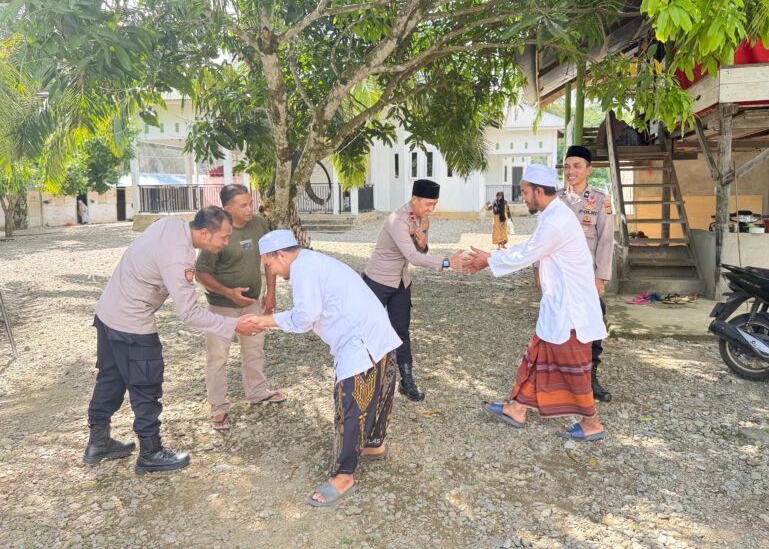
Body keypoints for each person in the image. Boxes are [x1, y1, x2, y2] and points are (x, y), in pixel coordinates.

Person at [83, 207, 265, 474]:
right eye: (224, 237)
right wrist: (234, 323)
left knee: (110, 378)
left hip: (108, 313)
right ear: (205, 233)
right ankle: (150, 452)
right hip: (132, 322)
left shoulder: (171, 225)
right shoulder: (179, 258)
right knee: (146, 385)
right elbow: (189, 313)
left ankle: (98, 442)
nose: (226, 242)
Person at [254, 230, 402, 507]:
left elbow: (304, 317)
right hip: (377, 334)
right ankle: (373, 443)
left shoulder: (302, 268)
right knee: (379, 393)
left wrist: (264, 321)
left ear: (282, 255)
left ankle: (344, 476)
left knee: (350, 406)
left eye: (269, 264)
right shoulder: (313, 261)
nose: (270, 271)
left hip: (360, 343)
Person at [462, 164, 608, 441]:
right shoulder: (553, 216)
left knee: (574, 369)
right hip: (559, 307)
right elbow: (527, 249)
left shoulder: (556, 221)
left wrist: (487, 260)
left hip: (572, 311)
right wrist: (490, 258)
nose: (523, 198)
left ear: (539, 191)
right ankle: (516, 409)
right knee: (536, 356)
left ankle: (592, 424)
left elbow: (527, 253)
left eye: (526, 192)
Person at [362, 179, 463, 401]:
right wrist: (447, 263)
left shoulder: (421, 219)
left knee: (401, 331)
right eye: (428, 204)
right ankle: (364, 382)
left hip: (401, 282)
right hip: (377, 280)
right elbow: (413, 257)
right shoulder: (398, 220)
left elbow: (420, 249)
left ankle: (406, 381)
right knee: (368, 331)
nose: (431, 209)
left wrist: (424, 241)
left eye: (434, 204)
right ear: (414, 199)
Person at [195, 184, 284, 431]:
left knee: (255, 349)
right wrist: (227, 293)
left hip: (253, 301)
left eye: (250, 203)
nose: (249, 209)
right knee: (218, 356)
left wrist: (271, 293)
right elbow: (200, 272)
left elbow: (268, 259)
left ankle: (257, 393)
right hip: (222, 306)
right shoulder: (218, 232)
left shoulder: (258, 225)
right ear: (227, 209)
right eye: (242, 205)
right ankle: (219, 408)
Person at [554, 145, 614, 402]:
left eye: (577, 166)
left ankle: (590, 378)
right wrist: (537, 270)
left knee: (592, 328)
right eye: (567, 166)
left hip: (587, 278)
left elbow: (606, 240)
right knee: (558, 327)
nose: (571, 171)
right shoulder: (555, 199)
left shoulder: (600, 200)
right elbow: (542, 237)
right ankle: (560, 379)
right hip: (559, 276)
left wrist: (600, 277)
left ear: (589, 169)